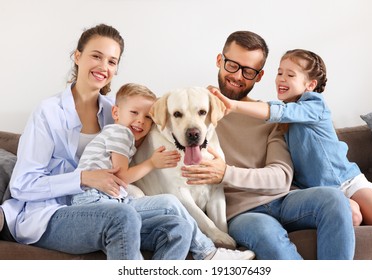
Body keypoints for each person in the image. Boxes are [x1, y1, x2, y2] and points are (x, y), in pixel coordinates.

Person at [0, 24, 251, 260]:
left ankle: (205, 255)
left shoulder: (119, 111)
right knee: (122, 215)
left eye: (112, 61)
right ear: (77, 57)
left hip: (106, 204)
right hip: (49, 214)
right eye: (96, 56)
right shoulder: (48, 112)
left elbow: (161, 128)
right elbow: (22, 185)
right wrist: (84, 178)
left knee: (179, 224)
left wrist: (210, 158)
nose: (103, 66)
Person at [181, 31, 356, 259]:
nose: (238, 76)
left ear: (259, 76)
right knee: (266, 234)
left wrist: (226, 173)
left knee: (334, 200)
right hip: (242, 213)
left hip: (283, 200)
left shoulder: (268, 118)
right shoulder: (194, 111)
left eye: (248, 71)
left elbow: (281, 177)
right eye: (232, 65)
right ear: (219, 61)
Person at [70, 82, 255, 260]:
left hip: (109, 200)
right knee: (171, 202)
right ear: (164, 117)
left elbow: (215, 191)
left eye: (201, 113)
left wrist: (224, 235)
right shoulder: (121, 134)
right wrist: (151, 163)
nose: (193, 128)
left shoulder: (126, 136)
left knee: (180, 226)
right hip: (99, 197)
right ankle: (209, 252)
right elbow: (122, 177)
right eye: (177, 114)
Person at [208, 48, 372, 227]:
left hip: (346, 180)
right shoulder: (281, 121)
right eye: (279, 73)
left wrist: (233, 104)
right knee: (353, 215)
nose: (282, 78)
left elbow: (276, 111)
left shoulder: (315, 105)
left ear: (310, 85)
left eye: (290, 75)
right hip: (315, 191)